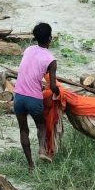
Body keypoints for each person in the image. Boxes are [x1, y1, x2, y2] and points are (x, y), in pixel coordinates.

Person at [13, 22, 59, 170]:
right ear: (50, 38)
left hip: (18, 96)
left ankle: (31, 165)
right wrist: (58, 93)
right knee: (41, 125)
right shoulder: (51, 59)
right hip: (33, 98)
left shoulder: (28, 49)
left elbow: (29, 70)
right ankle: (41, 150)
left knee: (23, 130)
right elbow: (52, 87)